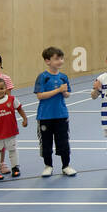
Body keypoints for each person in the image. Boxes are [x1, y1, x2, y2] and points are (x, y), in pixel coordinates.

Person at [33, 46, 76, 177]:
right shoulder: (43, 77)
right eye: (57, 59)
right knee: (46, 143)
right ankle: (48, 166)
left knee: (63, 141)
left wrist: (64, 92)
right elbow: (40, 95)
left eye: (61, 58)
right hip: (45, 116)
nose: (60, 61)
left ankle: (66, 165)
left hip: (61, 115)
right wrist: (58, 90)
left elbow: (67, 94)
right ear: (47, 61)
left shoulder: (63, 77)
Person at [0, 76, 27, 180]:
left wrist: (25, 118)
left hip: (11, 131)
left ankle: (15, 168)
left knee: (12, 150)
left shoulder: (12, 99)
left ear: (6, 88)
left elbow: (19, 108)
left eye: (2, 88)